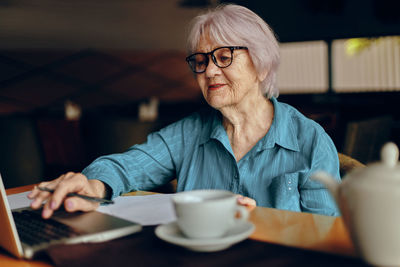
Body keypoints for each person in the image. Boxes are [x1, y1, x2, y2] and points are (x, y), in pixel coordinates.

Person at [29, 4, 341, 218]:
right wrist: (92, 184)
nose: (209, 71)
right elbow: (125, 167)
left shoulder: (309, 141)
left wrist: (264, 225)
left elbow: (327, 238)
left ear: (261, 65)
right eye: (201, 61)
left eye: (223, 56)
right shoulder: (189, 133)